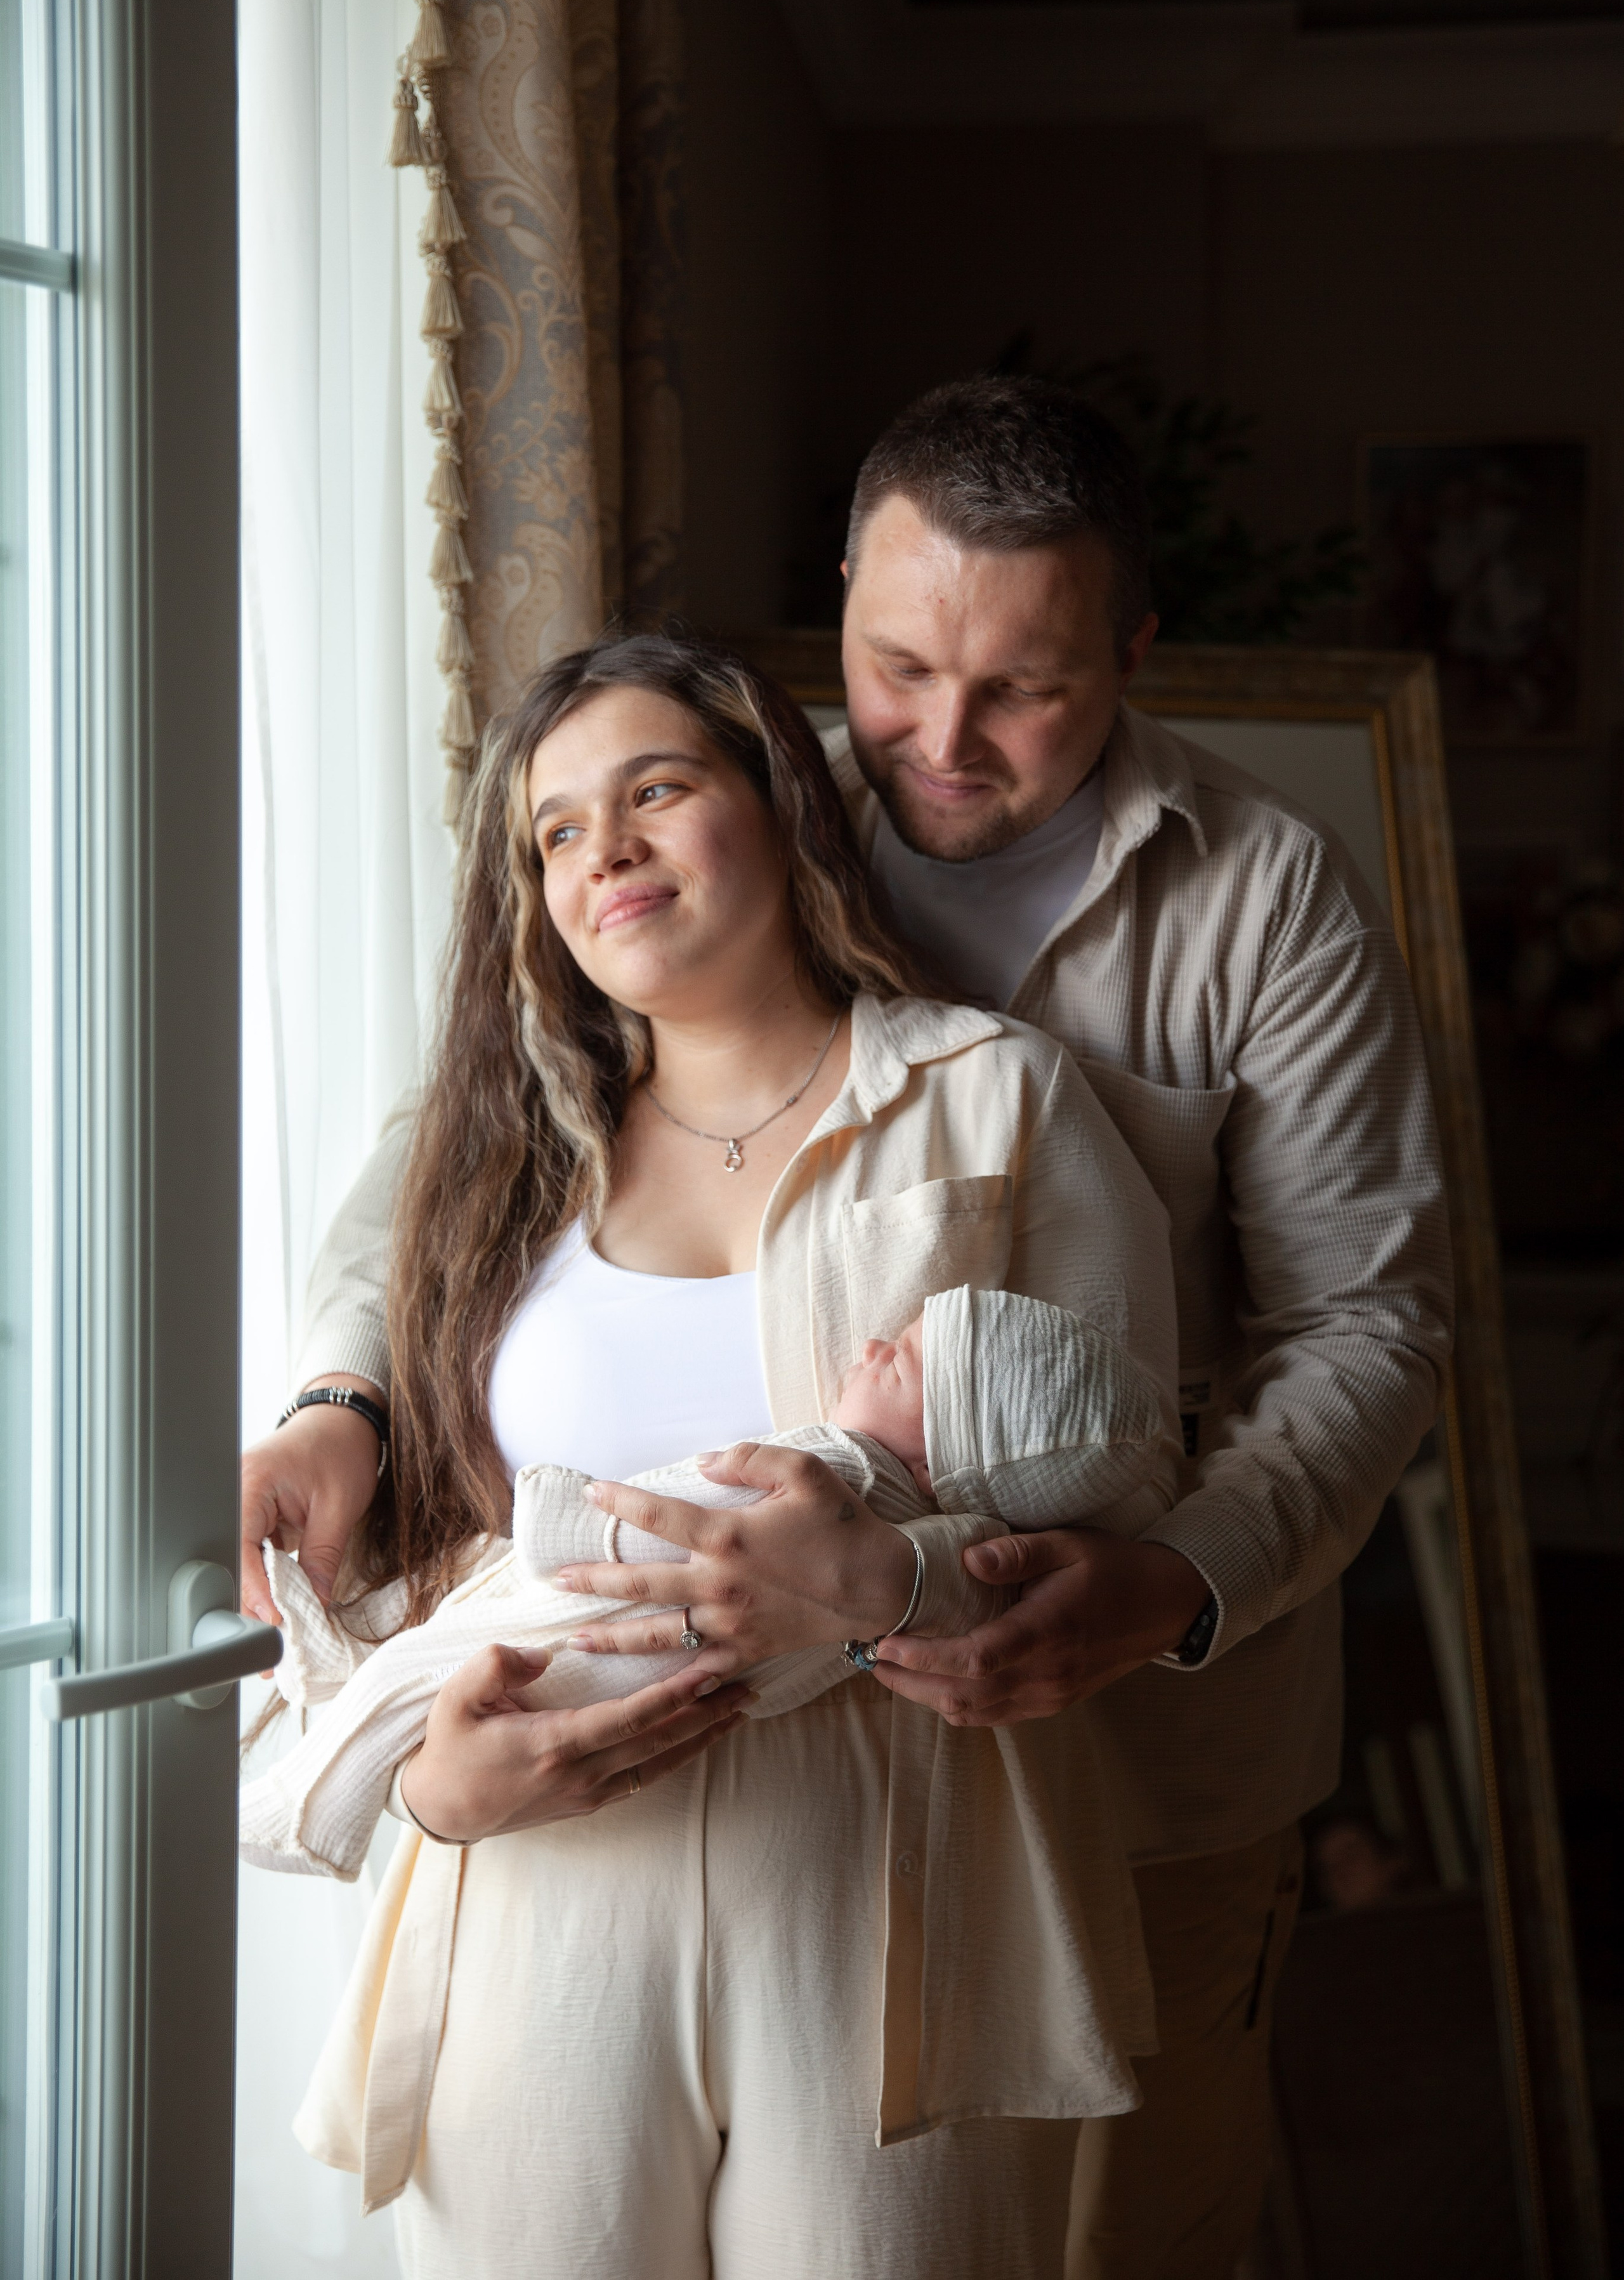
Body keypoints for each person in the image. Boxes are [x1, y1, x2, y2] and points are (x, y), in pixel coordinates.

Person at [244, 378, 1453, 2278]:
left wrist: (1172, 1578)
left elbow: (1367, 1321)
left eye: (1026, 688)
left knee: (1125, 2229)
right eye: (896, 667)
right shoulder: (718, 804)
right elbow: (450, 1151)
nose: (942, 738)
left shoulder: (1259, 899)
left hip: (1142, 1730)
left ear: (1133, 651)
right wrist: (342, 1393)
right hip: (633, 1821)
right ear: (841, 612)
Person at [258, 630, 1186, 2277]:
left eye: (655, 789)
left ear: (782, 806)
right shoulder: (499, 1159)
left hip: (897, 1857)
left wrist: (892, 1576)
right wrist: (426, 1787)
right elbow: (412, 1539)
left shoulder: (998, 1100)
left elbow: (1124, 1484)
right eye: (554, 830)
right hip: (543, 1873)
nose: (601, 847)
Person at [240, 1285, 1176, 1882]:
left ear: (952, 1451)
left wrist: (560, 1511)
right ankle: (322, 1685)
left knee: (408, 1681)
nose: (878, 1345)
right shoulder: (934, 1555)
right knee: (399, 1670)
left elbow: (679, 1521)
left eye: (915, 1363)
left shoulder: (826, 1476)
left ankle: (307, 1816)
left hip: (585, 1627)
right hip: (646, 1677)